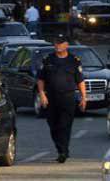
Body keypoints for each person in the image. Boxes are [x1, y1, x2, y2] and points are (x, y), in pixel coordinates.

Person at [37, 35, 86, 163]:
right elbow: (40, 79)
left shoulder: (74, 60)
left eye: (60, 43)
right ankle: (61, 149)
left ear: (66, 45)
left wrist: (83, 97)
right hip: (51, 98)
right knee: (53, 125)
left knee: (65, 125)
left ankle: (63, 151)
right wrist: (42, 94)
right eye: (55, 43)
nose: (57, 45)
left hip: (68, 97)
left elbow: (80, 80)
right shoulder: (47, 59)